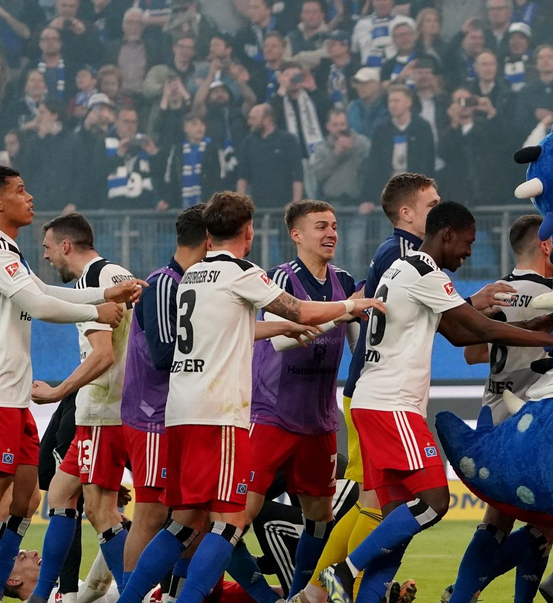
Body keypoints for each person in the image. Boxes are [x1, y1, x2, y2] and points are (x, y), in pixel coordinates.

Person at [117, 192, 385, 603]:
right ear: (249, 231)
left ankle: (128, 599)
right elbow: (299, 310)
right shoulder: (243, 272)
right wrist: (351, 304)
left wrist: (277, 330)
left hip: (181, 412)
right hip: (219, 415)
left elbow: (228, 329)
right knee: (229, 521)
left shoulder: (192, 275)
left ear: (208, 234)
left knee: (185, 523)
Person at [319, 202, 553, 603]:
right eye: (467, 242)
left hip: (373, 402)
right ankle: (343, 570)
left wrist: (530, 327)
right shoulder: (425, 271)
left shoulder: (402, 269)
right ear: (447, 234)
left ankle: (362, 591)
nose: (469, 251)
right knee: (434, 502)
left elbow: (460, 337)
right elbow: (478, 325)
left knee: (395, 524)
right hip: (393, 405)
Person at [0, 165, 138, 603]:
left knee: (28, 500)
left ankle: (34, 594)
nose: (30, 197)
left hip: (17, 397)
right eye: (20, 191)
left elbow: (44, 289)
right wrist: (96, 310)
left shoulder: (8, 250)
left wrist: (101, 296)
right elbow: (39, 304)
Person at [246, 200, 361, 599]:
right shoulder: (276, 279)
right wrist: (342, 312)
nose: (331, 233)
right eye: (320, 227)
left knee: (319, 516)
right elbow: (277, 336)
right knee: (236, 515)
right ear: (296, 235)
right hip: (270, 415)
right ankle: (261, 594)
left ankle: (298, 596)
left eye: (333, 226)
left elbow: (358, 346)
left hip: (318, 420)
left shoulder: (345, 281)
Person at [445, 214, 553, 603]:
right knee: (546, 525)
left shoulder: (497, 291)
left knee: (496, 519)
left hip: (492, 416)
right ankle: (471, 592)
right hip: (533, 421)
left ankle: (462, 593)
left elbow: (473, 354)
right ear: (545, 246)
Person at [25, 214, 138, 603]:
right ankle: (48, 596)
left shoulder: (93, 282)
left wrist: (59, 392)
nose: (46, 257)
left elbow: (104, 355)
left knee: (101, 512)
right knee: (59, 493)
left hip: (104, 413)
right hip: (115, 409)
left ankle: (132, 593)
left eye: (47, 248)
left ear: (66, 246)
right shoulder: (118, 274)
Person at [119, 205, 208, 595]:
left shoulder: (193, 285)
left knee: (196, 516)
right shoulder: (164, 284)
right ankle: (129, 593)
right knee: (151, 515)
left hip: (180, 415)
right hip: (152, 416)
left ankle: (176, 593)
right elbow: (162, 354)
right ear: (209, 240)